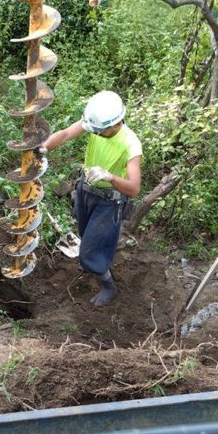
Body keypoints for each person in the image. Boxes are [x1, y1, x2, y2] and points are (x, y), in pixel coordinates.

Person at [40, 91, 142, 306]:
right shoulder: (98, 124)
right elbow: (67, 133)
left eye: (100, 131)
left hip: (109, 202)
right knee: (85, 235)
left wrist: (110, 176)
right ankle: (90, 263)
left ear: (115, 123)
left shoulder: (131, 144)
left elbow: (134, 189)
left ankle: (108, 285)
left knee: (90, 250)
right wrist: (44, 148)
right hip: (86, 192)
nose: (95, 133)